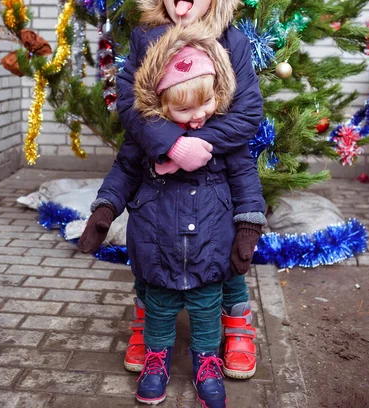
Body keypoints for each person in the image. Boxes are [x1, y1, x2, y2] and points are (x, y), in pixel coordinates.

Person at [79, 25, 266, 407]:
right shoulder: (147, 140)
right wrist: (104, 210)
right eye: (184, 109)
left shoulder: (222, 139)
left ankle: (206, 361)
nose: (198, 117)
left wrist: (248, 225)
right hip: (157, 244)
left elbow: (246, 180)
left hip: (210, 247)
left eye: (205, 104)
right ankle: (156, 360)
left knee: (205, 310)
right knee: (160, 309)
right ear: (162, 103)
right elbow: (124, 172)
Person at [114, 0, 266, 381]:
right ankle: (146, 321)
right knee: (150, 248)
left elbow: (247, 113)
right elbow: (129, 102)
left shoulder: (233, 43)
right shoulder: (145, 41)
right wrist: (171, 144)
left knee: (224, 252)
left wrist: (200, 143)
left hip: (215, 175)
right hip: (158, 176)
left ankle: (236, 323)